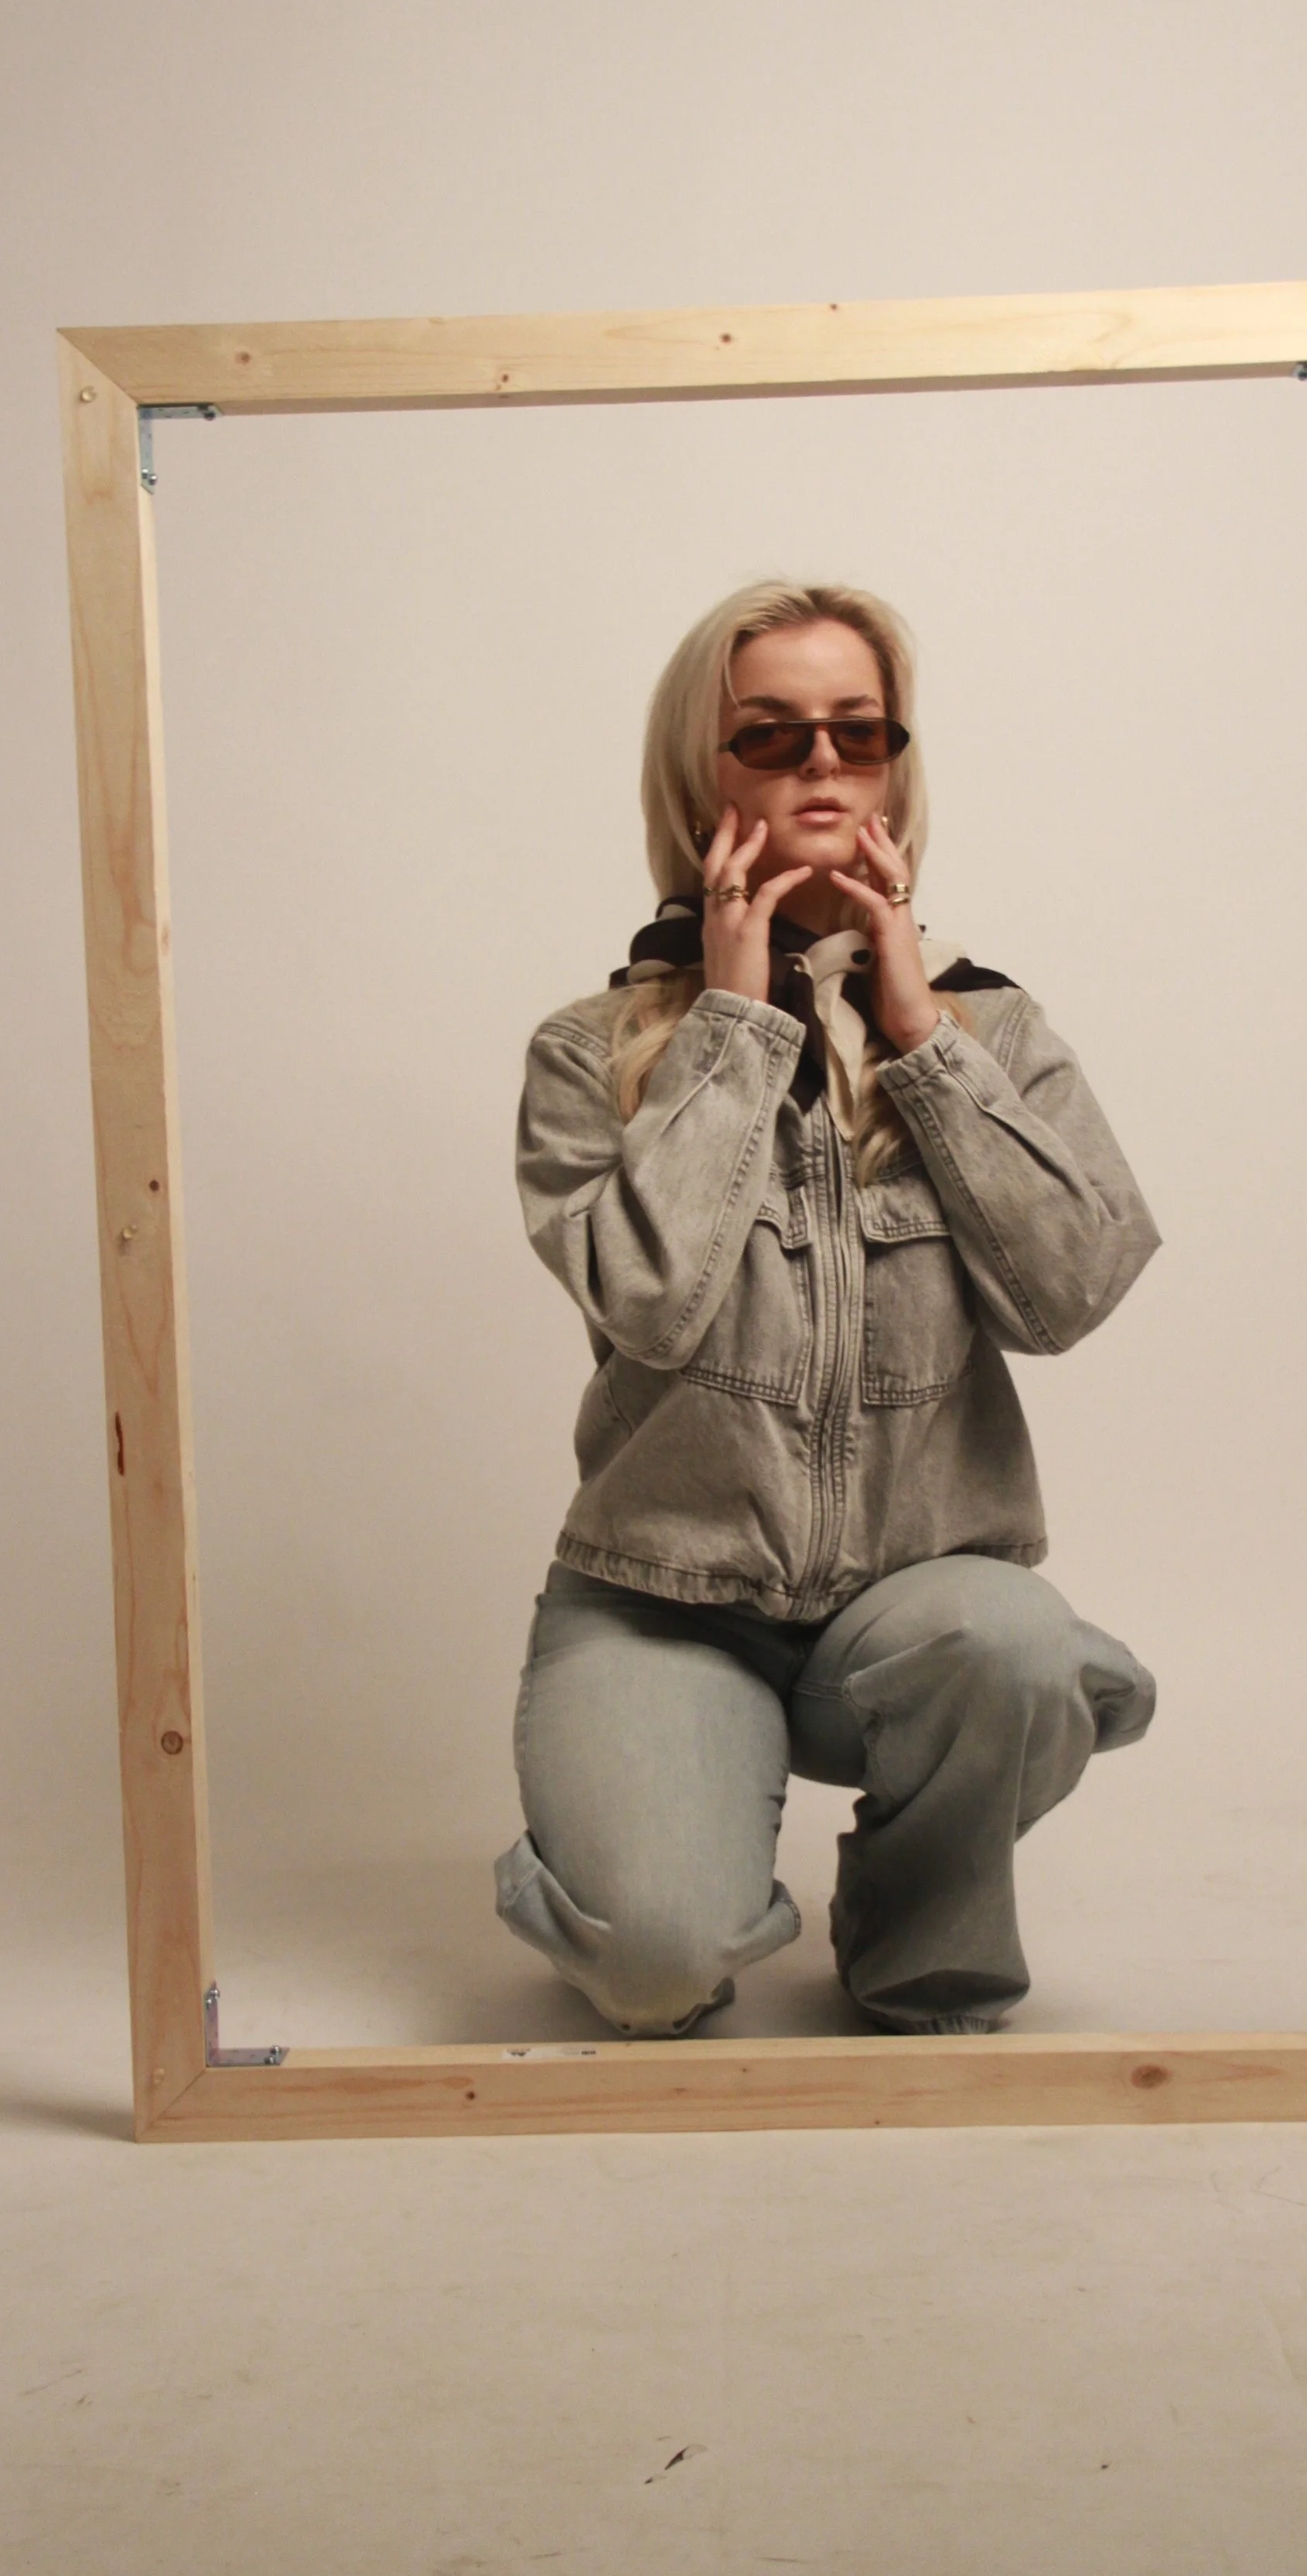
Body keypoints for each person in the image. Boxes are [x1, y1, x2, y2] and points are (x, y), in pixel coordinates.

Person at [493, 581, 1161, 2040]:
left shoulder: (998, 1033)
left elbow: (1072, 1294)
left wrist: (921, 1034)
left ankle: (922, 1907)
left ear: (892, 764)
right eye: (772, 735)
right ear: (701, 770)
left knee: (1009, 1651)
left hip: (912, 1605)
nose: (818, 766)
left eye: (855, 734)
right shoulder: (589, 1051)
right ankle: (625, 1824)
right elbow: (653, 1308)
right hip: (665, 1608)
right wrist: (733, 1026)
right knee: (659, 1968)